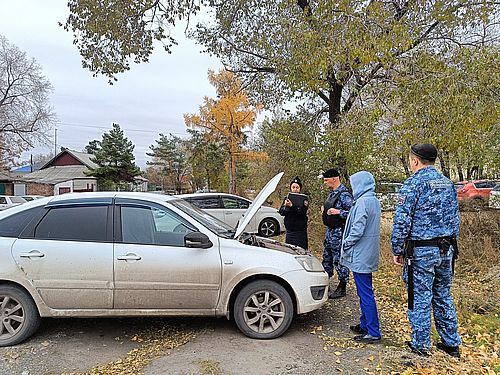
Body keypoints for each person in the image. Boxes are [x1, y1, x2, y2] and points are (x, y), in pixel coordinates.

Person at [391, 144, 461, 358]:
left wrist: (397, 248)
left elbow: (402, 221)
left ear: (415, 161)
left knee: (419, 296)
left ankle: (421, 345)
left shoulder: (413, 184)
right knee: (442, 294)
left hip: (421, 252)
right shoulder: (448, 184)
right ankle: (451, 344)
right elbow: (455, 219)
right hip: (446, 249)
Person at [340, 171, 381, 343]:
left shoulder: (363, 202)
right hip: (368, 252)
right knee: (364, 290)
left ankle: (373, 331)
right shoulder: (374, 200)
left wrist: (346, 243)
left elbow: (357, 230)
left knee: (365, 292)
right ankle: (365, 324)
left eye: (354, 183)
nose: (352, 187)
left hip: (361, 254)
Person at [321, 168, 353, 299]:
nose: (325, 182)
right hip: (330, 231)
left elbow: (353, 214)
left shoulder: (344, 195)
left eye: (326, 180)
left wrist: (339, 212)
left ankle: (342, 286)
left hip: (339, 233)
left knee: (339, 260)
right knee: (327, 258)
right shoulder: (332, 193)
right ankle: (324, 283)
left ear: (334, 179)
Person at [278, 176, 309, 249]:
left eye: (297, 187)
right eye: (293, 187)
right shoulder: (287, 198)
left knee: (300, 250)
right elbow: (281, 212)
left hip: (299, 232)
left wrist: (292, 206)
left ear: (300, 189)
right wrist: (285, 206)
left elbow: (302, 213)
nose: (295, 189)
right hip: (289, 231)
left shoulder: (304, 199)